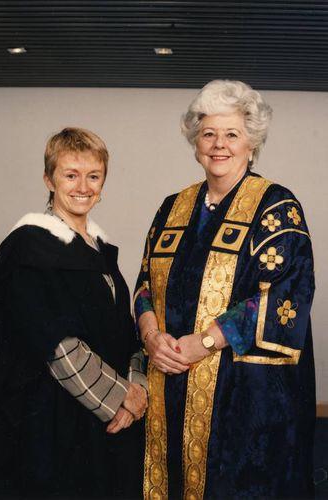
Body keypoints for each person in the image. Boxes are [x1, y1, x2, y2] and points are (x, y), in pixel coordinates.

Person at [134, 80, 316, 499]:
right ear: (195, 142)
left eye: (231, 134)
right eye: (208, 133)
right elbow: (145, 283)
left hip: (245, 396)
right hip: (173, 380)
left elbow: (283, 297)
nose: (219, 144)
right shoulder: (173, 206)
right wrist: (150, 336)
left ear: (251, 143)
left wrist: (204, 343)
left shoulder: (276, 207)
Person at [0, 127, 147, 498]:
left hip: (106, 424)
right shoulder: (29, 248)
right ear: (48, 178)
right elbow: (56, 346)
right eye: (70, 175)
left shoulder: (100, 251)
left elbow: (127, 332)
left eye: (94, 176)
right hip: (54, 425)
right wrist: (122, 398)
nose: (83, 186)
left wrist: (139, 392)